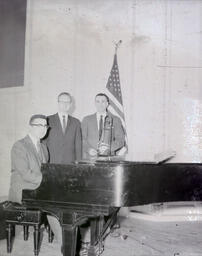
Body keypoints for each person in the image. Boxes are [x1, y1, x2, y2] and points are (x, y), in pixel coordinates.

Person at [8, 114, 49, 203]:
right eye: (39, 125)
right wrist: (48, 181)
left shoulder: (44, 147)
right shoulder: (19, 146)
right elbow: (25, 174)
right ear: (30, 127)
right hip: (23, 194)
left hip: (39, 192)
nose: (43, 129)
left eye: (45, 126)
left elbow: (46, 171)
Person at [81, 93, 125, 160]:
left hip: (109, 158)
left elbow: (121, 140)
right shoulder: (86, 119)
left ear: (107, 104)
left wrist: (108, 148)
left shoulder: (115, 119)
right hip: (90, 158)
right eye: (97, 101)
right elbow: (82, 139)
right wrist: (89, 150)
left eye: (103, 101)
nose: (100, 104)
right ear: (95, 103)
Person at [44, 92, 82, 164]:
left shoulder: (76, 122)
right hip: (52, 162)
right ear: (58, 103)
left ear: (71, 104)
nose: (65, 104)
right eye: (62, 102)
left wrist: (78, 162)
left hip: (70, 163)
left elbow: (78, 146)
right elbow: (44, 143)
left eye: (67, 102)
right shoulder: (48, 120)